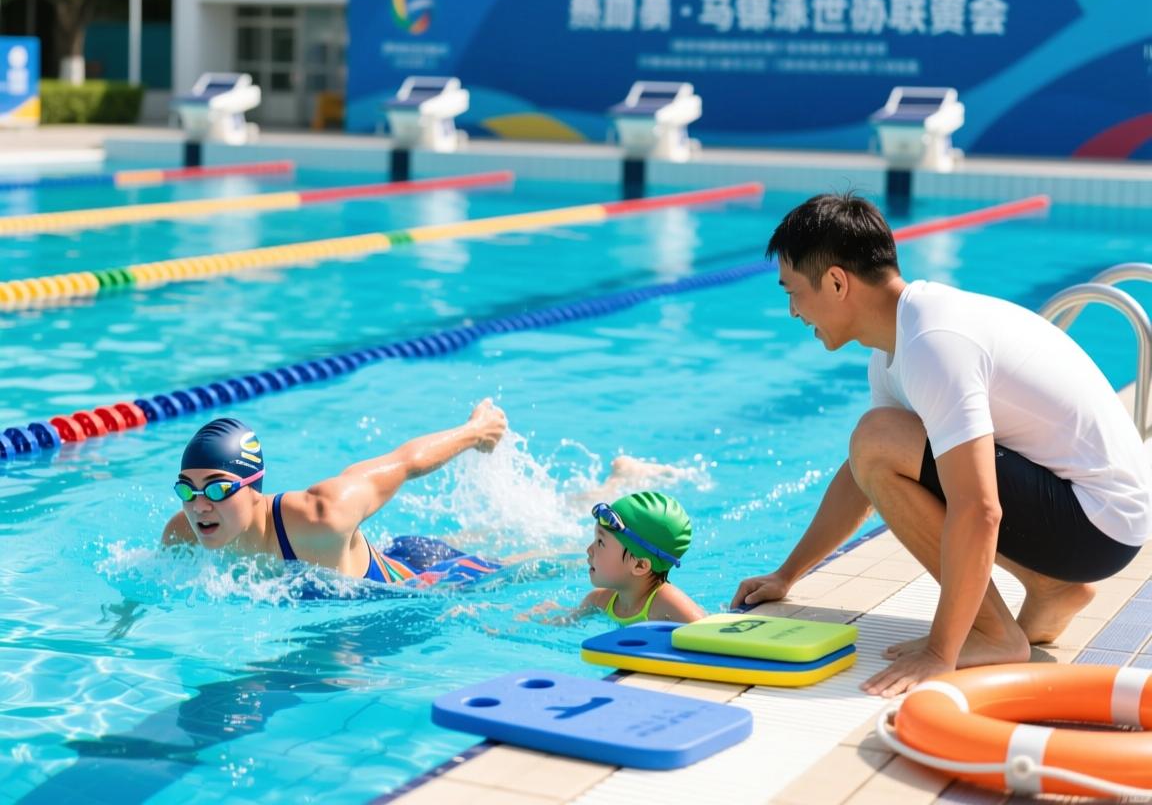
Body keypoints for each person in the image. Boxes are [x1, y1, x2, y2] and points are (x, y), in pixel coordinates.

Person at [730, 192, 1151, 697]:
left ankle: (994, 634)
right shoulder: (902, 340)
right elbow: (861, 475)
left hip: (1097, 521)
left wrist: (939, 652)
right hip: (1097, 519)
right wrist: (786, 574)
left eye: (793, 292)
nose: (794, 311)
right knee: (877, 443)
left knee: (878, 438)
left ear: (837, 282)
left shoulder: (933, 341)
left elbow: (980, 509)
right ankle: (1052, 587)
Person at [163, 400, 510, 589]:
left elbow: (404, 463)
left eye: (218, 488)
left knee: (525, 564)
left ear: (254, 488)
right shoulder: (182, 534)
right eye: (187, 489)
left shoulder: (321, 515)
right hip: (388, 549)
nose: (200, 506)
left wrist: (477, 431)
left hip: (428, 577)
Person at [532, 491, 705, 624]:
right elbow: (561, 623)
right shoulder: (599, 601)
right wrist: (543, 617)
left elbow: (710, 635)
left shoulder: (670, 606)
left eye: (600, 543)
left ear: (639, 565)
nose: (589, 550)